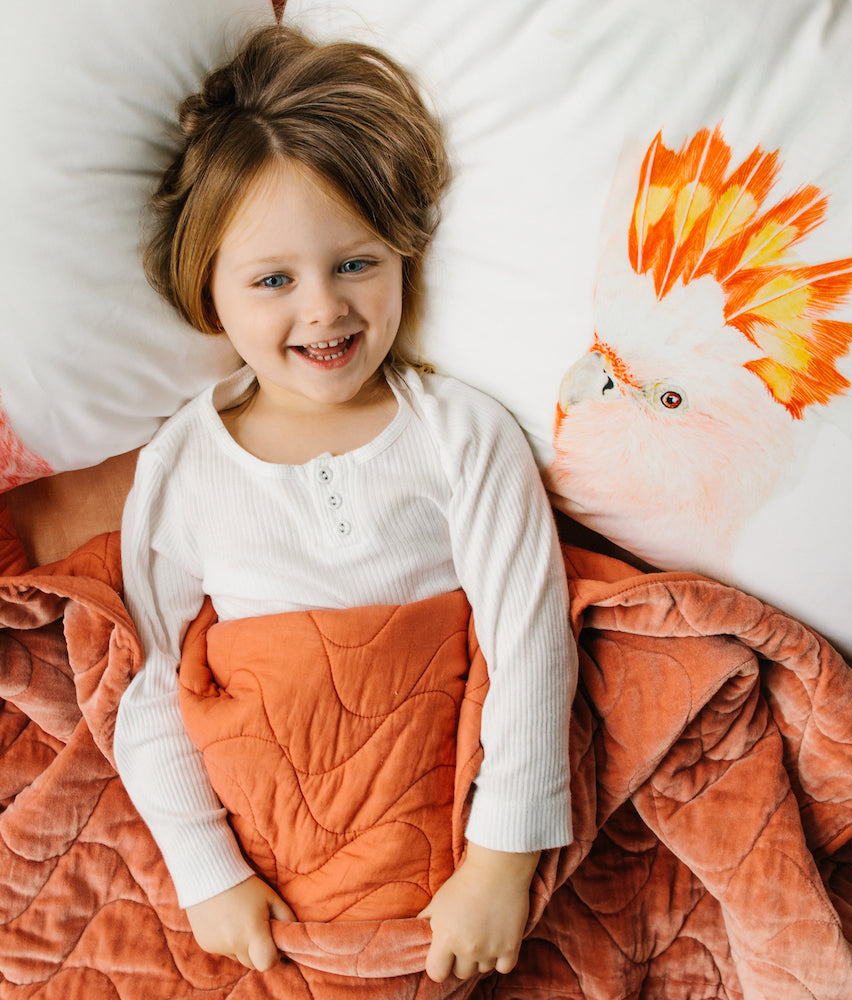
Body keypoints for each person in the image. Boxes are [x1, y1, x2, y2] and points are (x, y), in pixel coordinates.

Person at [114, 24, 576, 984]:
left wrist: (502, 859)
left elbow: (529, 640)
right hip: (281, 822)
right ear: (210, 293)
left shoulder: (463, 434)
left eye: (356, 264)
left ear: (403, 257)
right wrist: (206, 872)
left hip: (441, 787)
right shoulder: (182, 467)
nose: (324, 309)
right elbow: (156, 684)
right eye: (274, 281)